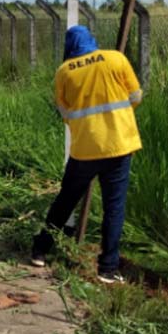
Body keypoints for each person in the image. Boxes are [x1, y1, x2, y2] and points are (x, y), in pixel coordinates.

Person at [31, 26, 143, 284]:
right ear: (92, 40)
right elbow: (135, 95)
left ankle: (40, 251)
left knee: (65, 201)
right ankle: (107, 268)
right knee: (114, 207)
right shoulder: (115, 58)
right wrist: (119, 115)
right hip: (119, 145)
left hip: (84, 149)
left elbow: (65, 112)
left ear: (69, 46)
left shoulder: (64, 71)